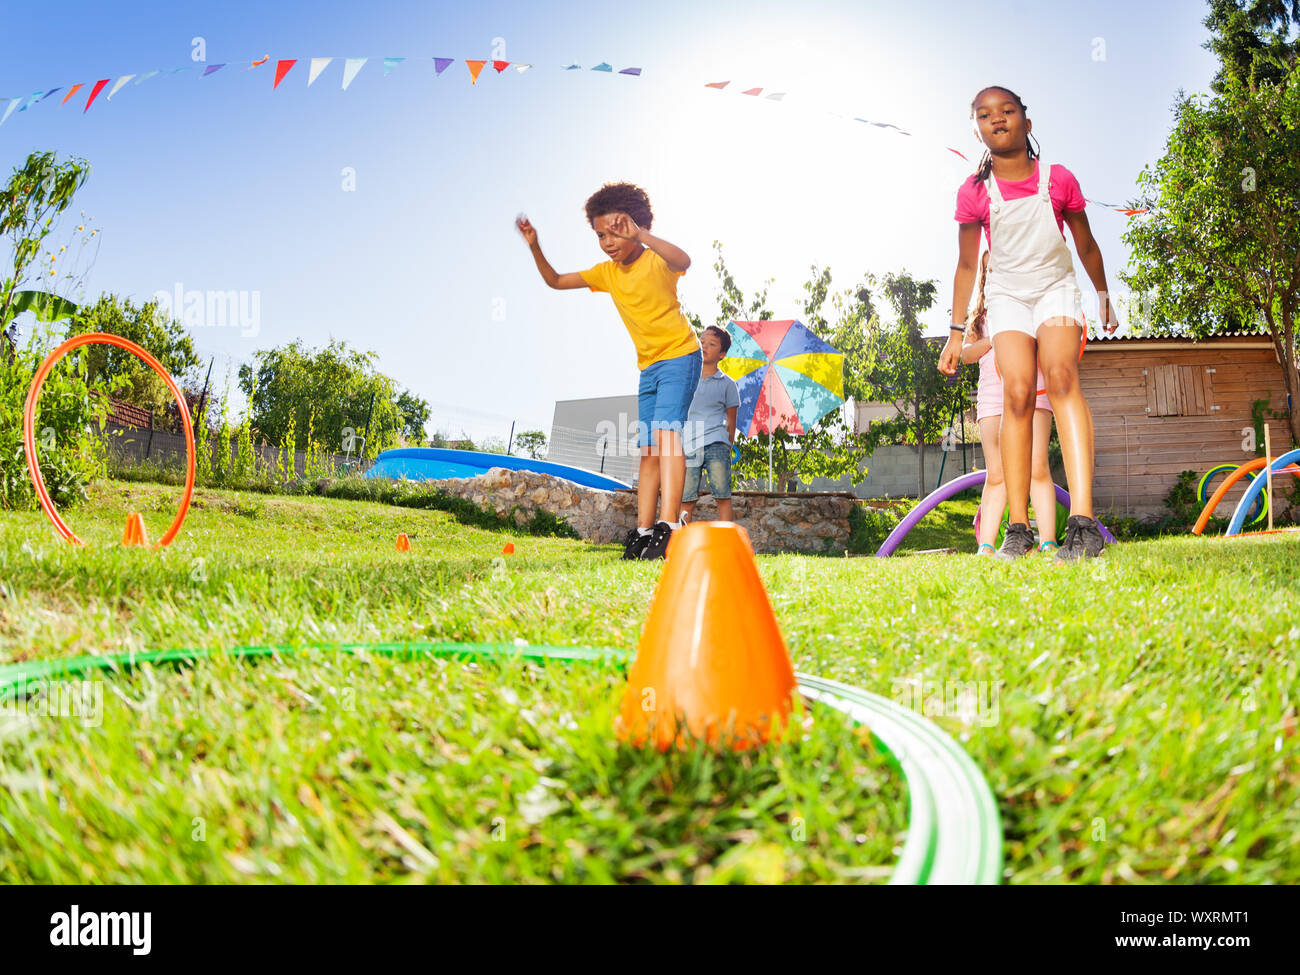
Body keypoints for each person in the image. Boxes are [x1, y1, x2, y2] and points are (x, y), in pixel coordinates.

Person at [939, 85, 1117, 561]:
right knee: (1017, 390)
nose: (996, 118)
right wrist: (956, 333)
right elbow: (964, 266)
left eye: (1007, 110)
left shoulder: (1057, 180)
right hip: (1006, 294)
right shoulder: (974, 192)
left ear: (1026, 123)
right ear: (977, 129)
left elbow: (1087, 245)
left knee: (1059, 375)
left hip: (1055, 287)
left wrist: (1103, 296)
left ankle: (1083, 524)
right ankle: (1017, 529)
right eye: (984, 114)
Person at [516, 182, 701, 560]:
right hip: (649, 367)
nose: (608, 241)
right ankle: (644, 530)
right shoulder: (607, 273)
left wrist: (644, 235)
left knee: (667, 436)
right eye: (602, 234)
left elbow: (685, 260)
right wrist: (535, 245)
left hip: (681, 355)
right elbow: (555, 281)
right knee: (648, 450)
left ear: (637, 224)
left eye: (616, 230)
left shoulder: (657, 259)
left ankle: (669, 527)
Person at [963, 251, 1058, 555]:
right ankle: (986, 546)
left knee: (1038, 469)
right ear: (986, 276)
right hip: (992, 398)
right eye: (992, 270)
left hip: (1033, 392)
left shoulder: (1031, 307)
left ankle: (1047, 540)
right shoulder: (980, 317)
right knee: (998, 475)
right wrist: (997, 338)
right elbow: (965, 354)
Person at [681, 325, 740, 523]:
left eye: (712, 344)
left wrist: (727, 446)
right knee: (686, 498)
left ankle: (726, 543)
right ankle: (680, 543)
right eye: (702, 341)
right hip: (688, 444)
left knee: (723, 496)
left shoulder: (728, 384)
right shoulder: (686, 379)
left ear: (722, 354)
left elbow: (732, 421)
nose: (704, 346)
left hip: (717, 443)